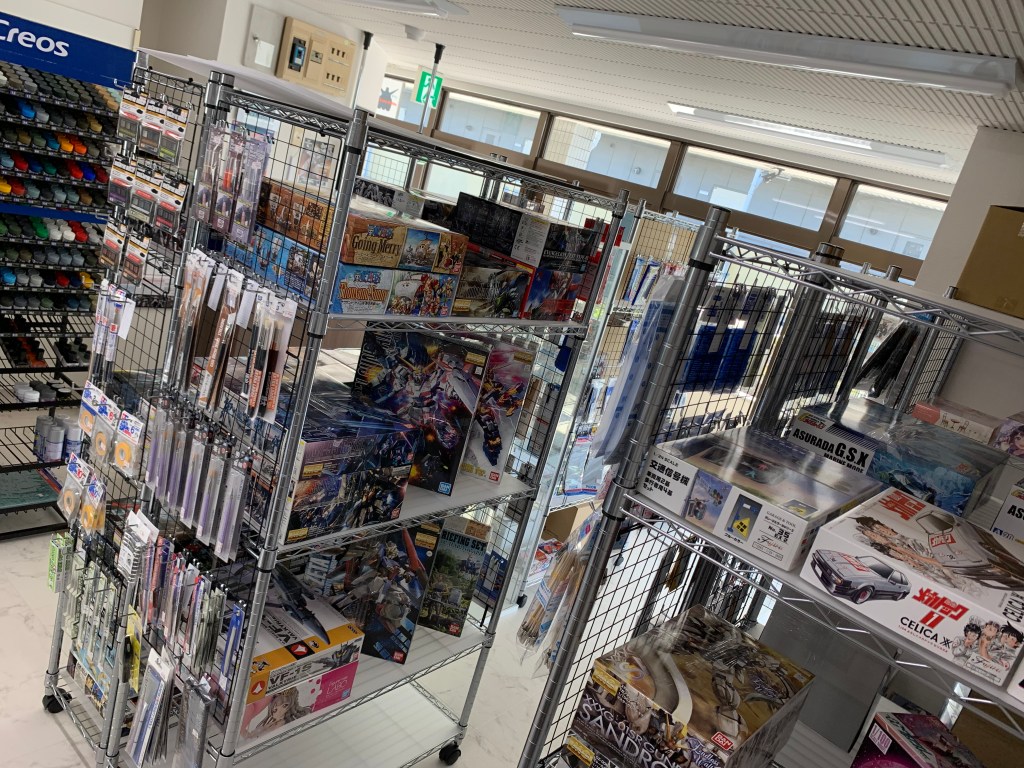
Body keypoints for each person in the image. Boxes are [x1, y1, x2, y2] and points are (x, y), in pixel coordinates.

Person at [242, 687, 311, 740]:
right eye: (275, 705)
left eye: (284, 706)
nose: (276, 709)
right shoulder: (272, 723)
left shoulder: (280, 725)